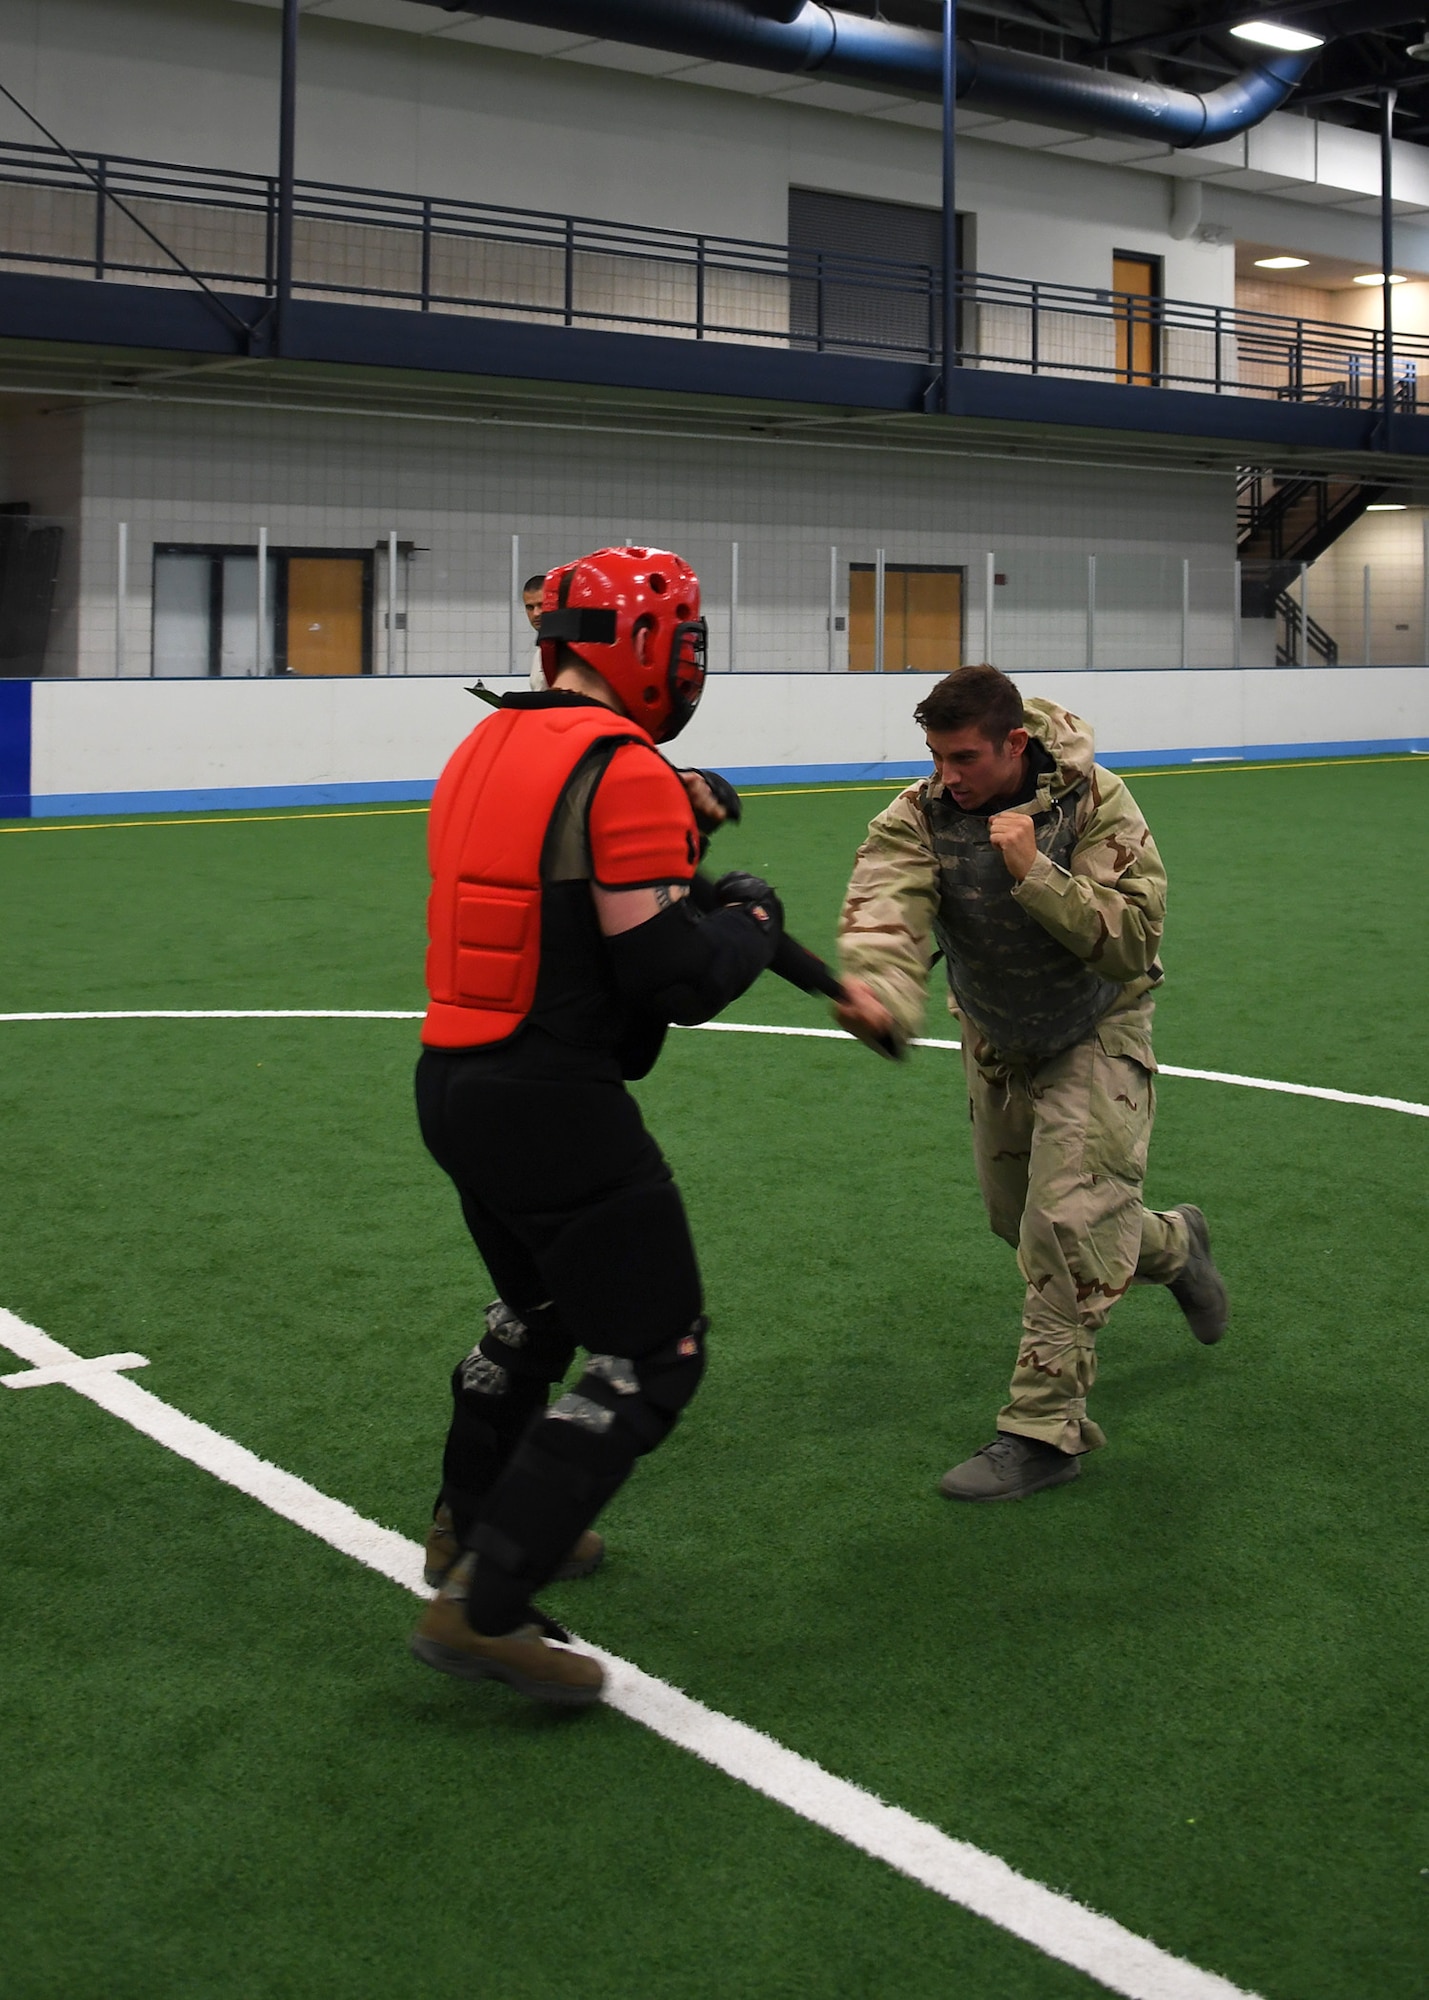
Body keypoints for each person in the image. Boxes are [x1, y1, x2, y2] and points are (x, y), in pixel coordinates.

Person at [410, 545, 784, 1705]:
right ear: (645, 648)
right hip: (550, 1105)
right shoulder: (619, 765)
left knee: (540, 1315)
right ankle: (486, 1606)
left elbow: (561, 910)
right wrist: (753, 923)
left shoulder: (488, 742)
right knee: (654, 1351)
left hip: (453, 1081)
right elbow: (666, 975)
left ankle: (466, 1523)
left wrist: (686, 858)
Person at [835, 664, 1228, 1502]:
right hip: (998, 1038)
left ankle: (1043, 1433)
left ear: (1015, 742)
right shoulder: (919, 815)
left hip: (1096, 1028)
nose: (948, 775)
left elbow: (1133, 941)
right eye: (937, 756)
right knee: (1016, 1219)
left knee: (1063, 1225)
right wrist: (882, 990)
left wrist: (1035, 874)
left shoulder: (1096, 802)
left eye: (965, 757)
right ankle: (1172, 1245)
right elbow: (885, 906)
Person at [521, 572, 548, 691]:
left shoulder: (570, 651)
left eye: (541, 605)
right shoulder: (540, 651)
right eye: (530, 607)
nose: (536, 613)